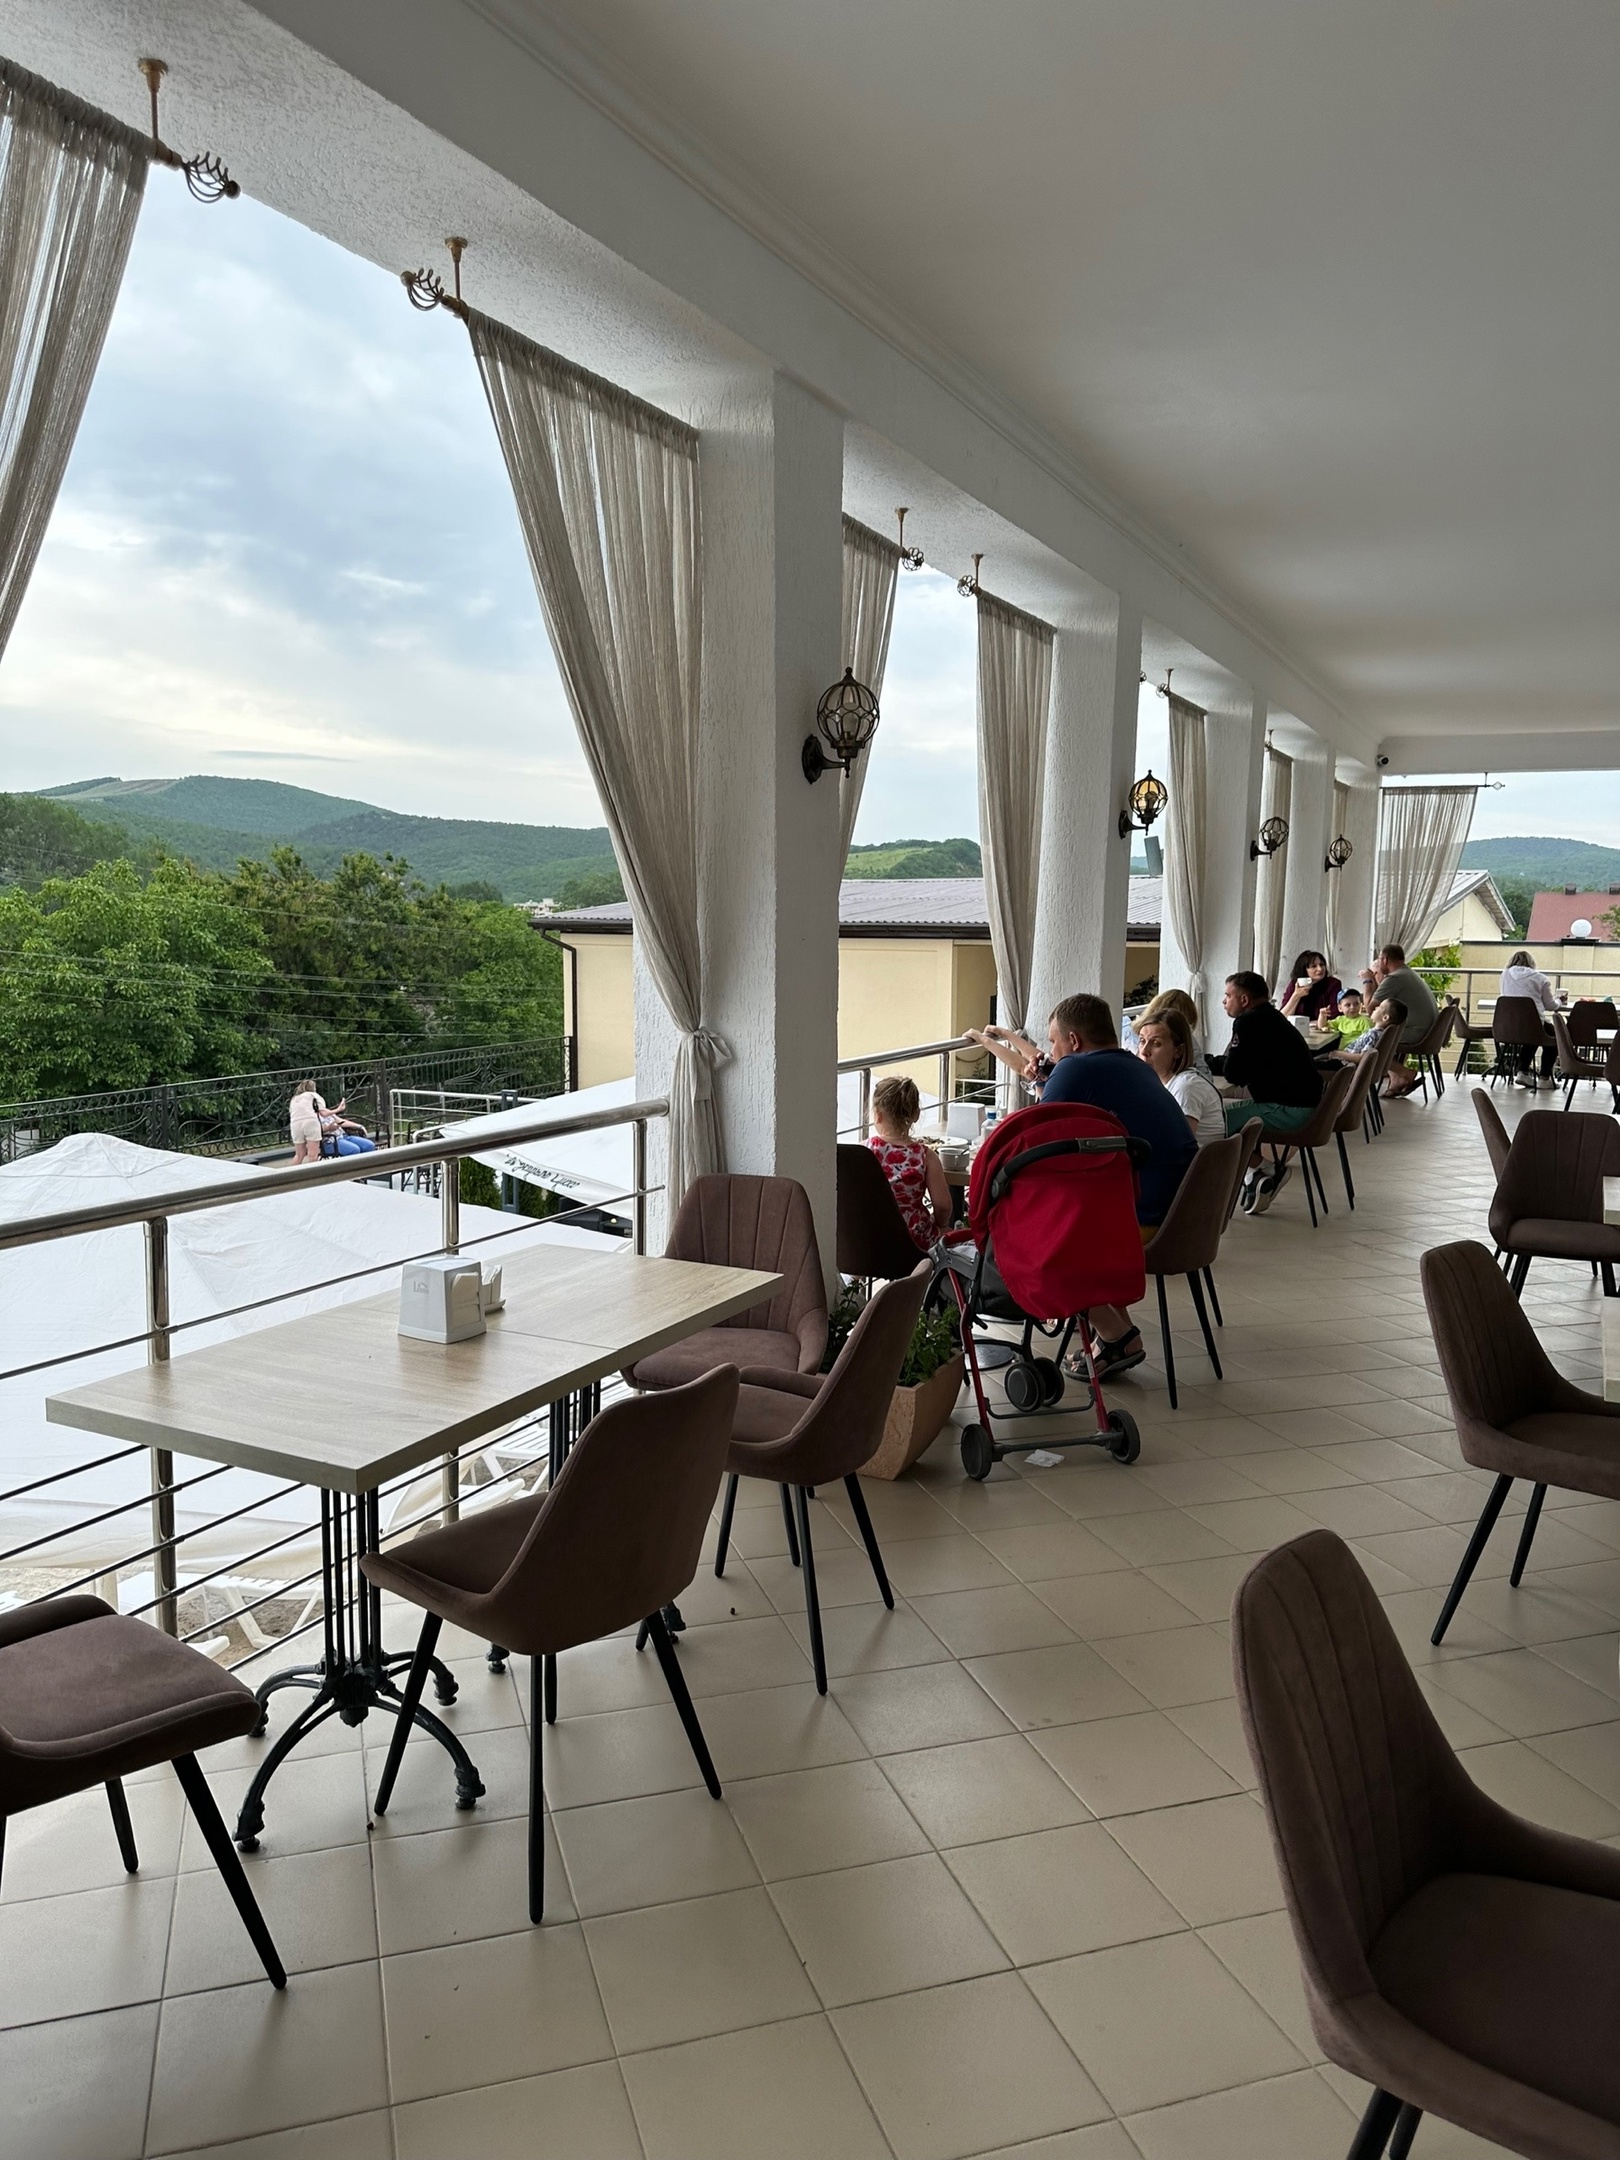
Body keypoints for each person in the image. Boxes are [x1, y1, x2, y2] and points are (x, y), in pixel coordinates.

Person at [1038, 992, 1197, 1376]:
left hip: (1147, 1219)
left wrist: (1054, 1078)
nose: (1052, 1052)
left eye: (1053, 1042)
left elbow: (1035, 1138)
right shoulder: (1137, 1067)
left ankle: (1115, 1335)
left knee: (1043, 1240)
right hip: (1185, 1215)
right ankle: (1117, 1337)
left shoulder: (1075, 1067)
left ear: (1074, 1041)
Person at [1210, 971, 1323, 1214]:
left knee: (1211, 1125)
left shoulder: (1247, 1022)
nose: (1223, 1001)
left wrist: (1215, 1063)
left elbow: (1235, 1075)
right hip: (1303, 1106)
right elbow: (1246, 1066)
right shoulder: (1272, 1017)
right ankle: (1258, 1173)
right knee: (1221, 1117)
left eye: (1228, 995)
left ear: (1244, 1000)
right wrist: (1214, 1062)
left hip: (1289, 1111)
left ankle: (1264, 1170)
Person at [866, 1075, 953, 1251]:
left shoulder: (864, 1150)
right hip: (914, 1241)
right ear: (916, 1115)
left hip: (872, 1237)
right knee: (951, 1236)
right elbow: (943, 1206)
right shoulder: (925, 1156)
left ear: (878, 1116)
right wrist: (939, 1224)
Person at [1136, 1009, 1224, 1148]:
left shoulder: (1186, 1086)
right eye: (1142, 1041)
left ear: (1178, 1051)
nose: (1144, 1051)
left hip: (1193, 1162)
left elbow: (1178, 1146)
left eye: (1156, 1043)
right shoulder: (1161, 1084)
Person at [1357, 944, 1438, 1096]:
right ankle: (1397, 1077)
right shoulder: (1406, 973)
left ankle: (1404, 1073)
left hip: (1417, 1033)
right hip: (1429, 1032)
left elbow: (1371, 1009)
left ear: (1385, 960)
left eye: (1379, 959)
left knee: (1373, 1040)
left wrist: (1367, 982)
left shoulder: (1395, 978)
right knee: (1380, 1033)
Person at [1498, 949, 1558, 1086]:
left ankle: (1523, 1072)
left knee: (1531, 1035)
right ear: (1531, 963)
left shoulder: (1504, 975)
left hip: (1508, 1026)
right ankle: (1544, 1078)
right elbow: (1550, 1005)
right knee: (1554, 1036)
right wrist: (1559, 1001)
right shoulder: (1540, 979)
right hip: (1532, 1025)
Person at [1279, 950, 1342, 1023]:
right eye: (1314, 966)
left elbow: (1335, 1016)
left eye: (1322, 964)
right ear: (1304, 969)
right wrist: (1296, 995)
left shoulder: (1333, 984)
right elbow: (1282, 1017)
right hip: (1297, 1027)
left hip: (1323, 1027)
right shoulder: (1295, 984)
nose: (1320, 969)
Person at [288, 1079, 326, 1166]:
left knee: (299, 1155)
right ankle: (313, 1173)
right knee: (313, 1155)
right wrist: (338, 1109)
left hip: (295, 1124)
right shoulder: (313, 1095)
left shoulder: (294, 1099)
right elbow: (323, 1111)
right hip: (311, 1122)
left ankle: (290, 1173)